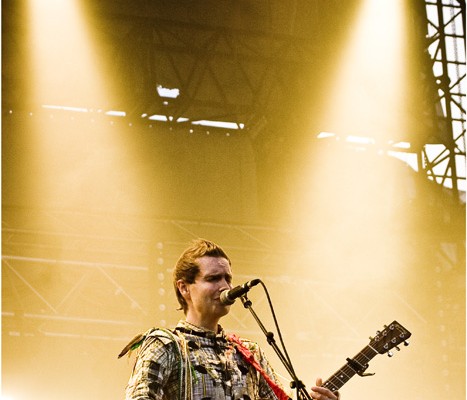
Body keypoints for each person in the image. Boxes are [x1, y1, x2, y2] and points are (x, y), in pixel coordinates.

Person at [120, 238, 340, 400]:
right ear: (184, 288)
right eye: (213, 278)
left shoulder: (249, 354)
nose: (225, 286)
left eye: (228, 278)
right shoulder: (165, 345)